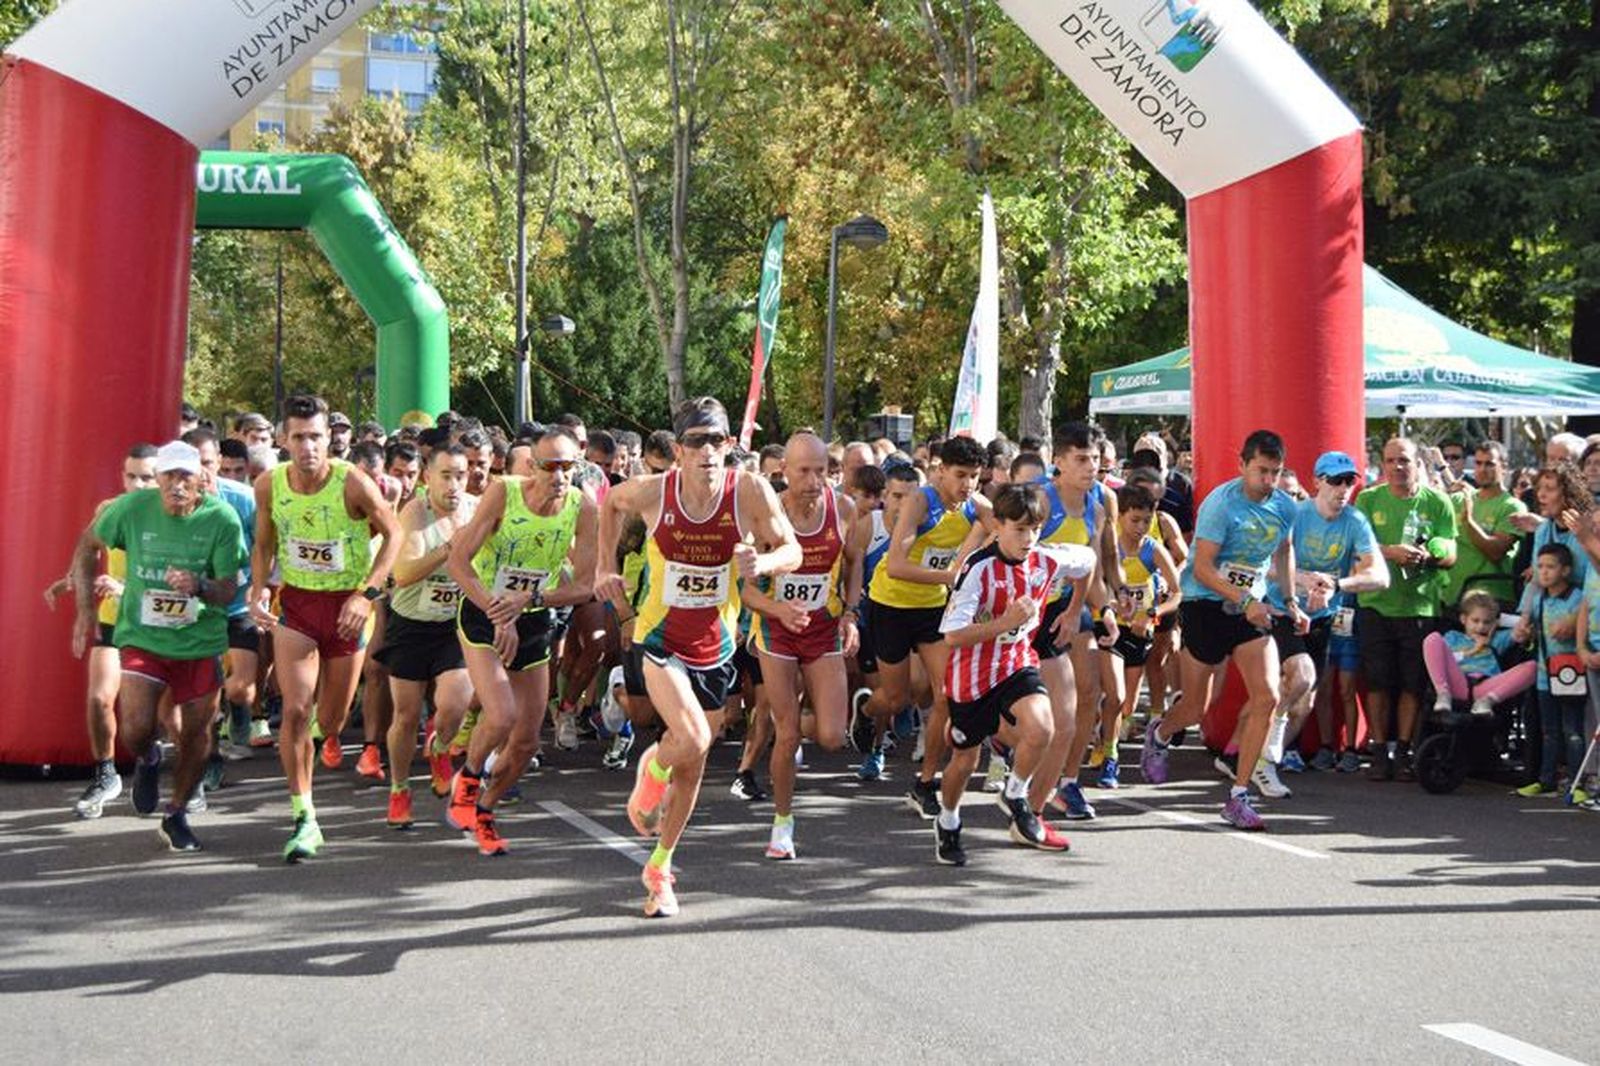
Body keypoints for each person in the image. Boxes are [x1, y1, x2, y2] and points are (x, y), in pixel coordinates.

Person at [595, 397, 801, 917]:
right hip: (660, 637)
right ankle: (649, 777)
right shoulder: (652, 492)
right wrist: (603, 566)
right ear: (680, 450)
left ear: (730, 446)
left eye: (717, 441)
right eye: (696, 442)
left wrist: (767, 559)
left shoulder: (748, 490)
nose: (708, 451)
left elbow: (793, 549)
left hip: (718, 644)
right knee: (692, 737)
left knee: (693, 765)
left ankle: (659, 867)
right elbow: (607, 504)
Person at [68, 441, 245, 851]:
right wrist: (84, 610)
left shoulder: (222, 520)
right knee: (135, 728)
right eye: (169, 476)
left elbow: (226, 588)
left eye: (186, 476)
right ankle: (147, 759)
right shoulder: (131, 509)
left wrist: (198, 585)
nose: (177, 485)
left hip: (200, 639)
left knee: (198, 735)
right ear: (159, 478)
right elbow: (86, 547)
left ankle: (176, 812)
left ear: (201, 480)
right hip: (144, 637)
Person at [247, 393, 401, 862]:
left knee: (329, 720)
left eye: (317, 436)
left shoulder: (352, 482)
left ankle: (323, 734)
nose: (309, 446)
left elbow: (394, 533)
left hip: (347, 610)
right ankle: (304, 816)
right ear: (283, 439)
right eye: (299, 437)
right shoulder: (269, 484)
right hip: (296, 606)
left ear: (330, 438)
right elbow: (263, 544)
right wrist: (257, 589)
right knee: (294, 710)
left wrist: (367, 593)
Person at [1140, 430, 1308, 831]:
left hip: (1250, 610)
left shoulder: (1285, 506)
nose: (1268, 481)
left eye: (1275, 472)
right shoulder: (1221, 504)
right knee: (1198, 706)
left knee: (1267, 695)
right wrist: (1246, 600)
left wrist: (1290, 599)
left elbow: (1284, 550)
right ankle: (1161, 733)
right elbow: (1202, 568)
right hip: (1206, 605)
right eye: (1261, 471)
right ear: (1243, 465)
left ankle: (1238, 795)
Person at [444, 427, 597, 854]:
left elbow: (584, 586)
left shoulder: (583, 509)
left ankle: (486, 811)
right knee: (501, 714)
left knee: (528, 742)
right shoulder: (504, 494)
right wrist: (498, 611)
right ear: (533, 466)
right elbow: (459, 562)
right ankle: (470, 778)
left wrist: (528, 599)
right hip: (481, 612)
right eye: (551, 466)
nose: (561, 475)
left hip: (531, 616)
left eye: (570, 466)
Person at [933, 483, 1096, 864]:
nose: (1028, 538)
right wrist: (1004, 621)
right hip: (971, 677)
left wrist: (1074, 611)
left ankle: (1015, 793)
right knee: (964, 762)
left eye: (1035, 529)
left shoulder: (1047, 559)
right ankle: (948, 819)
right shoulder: (976, 569)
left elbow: (1087, 561)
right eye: (1019, 529)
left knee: (1044, 728)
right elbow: (953, 635)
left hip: (1016, 662)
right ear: (999, 526)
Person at [858, 437, 994, 819]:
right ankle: (867, 711)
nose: (967, 484)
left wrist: (973, 565)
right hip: (891, 603)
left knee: (945, 694)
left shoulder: (976, 506)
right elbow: (897, 564)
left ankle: (925, 781)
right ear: (940, 471)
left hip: (934, 609)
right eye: (960, 475)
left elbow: (1004, 532)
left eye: (974, 476)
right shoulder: (921, 502)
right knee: (897, 698)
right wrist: (949, 576)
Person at [743, 432, 865, 859]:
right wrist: (778, 610)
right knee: (788, 732)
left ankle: (832, 705)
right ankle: (782, 825)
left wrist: (851, 612)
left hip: (823, 629)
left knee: (832, 736)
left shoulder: (844, 509)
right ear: (784, 472)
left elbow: (854, 564)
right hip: (777, 633)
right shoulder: (766, 517)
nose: (815, 481)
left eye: (822, 471)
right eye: (805, 472)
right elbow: (747, 592)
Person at [1248, 451, 1388, 795]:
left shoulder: (1354, 521)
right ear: (1317, 482)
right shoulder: (1295, 515)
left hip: (1322, 617)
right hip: (1282, 609)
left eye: (1349, 482)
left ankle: (1245, 755)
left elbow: (1380, 576)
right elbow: (1261, 564)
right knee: (1302, 676)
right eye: (1335, 481)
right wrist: (1301, 579)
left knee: (1304, 701)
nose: (1343, 489)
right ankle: (1265, 761)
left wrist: (1337, 584)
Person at [45, 444, 158, 818]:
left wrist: (128, 590)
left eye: (147, 477)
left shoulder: (175, 516)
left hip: (160, 625)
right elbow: (87, 548)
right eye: (131, 476)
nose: (138, 485)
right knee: (99, 698)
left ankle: (151, 761)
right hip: (115, 622)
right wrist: (82, 605)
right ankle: (105, 773)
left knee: (166, 719)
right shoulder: (110, 510)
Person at [377, 444, 478, 828]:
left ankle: (438, 745)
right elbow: (402, 574)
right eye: (446, 476)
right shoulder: (415, 513)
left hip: (455, 625)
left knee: (455, 704)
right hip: (411, 624)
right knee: (404, 716)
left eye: (461, 475)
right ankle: (400, 789)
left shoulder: (475, 509)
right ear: (427, 478)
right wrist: (451, 549)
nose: (455, 485)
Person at [1352, 437, 1457, 781]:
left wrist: (1430, 555)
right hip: (1376, 605)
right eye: (1391, 460)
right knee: (1378, 682)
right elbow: (1355, 548)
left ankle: (1405, 750)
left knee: (1413, 685)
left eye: (1405, 461)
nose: (1398, 467)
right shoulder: (1367, 499)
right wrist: (1390, 552)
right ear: (1382, 464)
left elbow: (1451, 552)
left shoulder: (1438, 502)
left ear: (1418, 464)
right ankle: (1379, 751)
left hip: (1420, 607)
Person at [1037, 422, 1117, 823]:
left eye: (1096, 460)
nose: (1090, 468)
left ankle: (1068, 782)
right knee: (1043, 708)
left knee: (1090, 692)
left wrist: (1106, 612)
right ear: (1059, 462)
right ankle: (1018, 757)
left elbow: (1093, 570)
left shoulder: (1097, 509)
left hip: (1072, 605)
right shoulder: (1040, 502)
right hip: (1029, 611)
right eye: (1081, 459)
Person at [1093, 483, 1183, 790]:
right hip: (1107, 628)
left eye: (1147, 520)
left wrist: (1153, 614)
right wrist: (1107, 604)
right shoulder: (1109, 547)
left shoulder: (1151, 549)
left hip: (1139, 632)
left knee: (1127, 705)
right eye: (1135, 520)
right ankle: (1110, 757)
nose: (1141, 527)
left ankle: (1105, 731)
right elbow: (1094, 582)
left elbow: (1177, 591)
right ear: (1120, 517)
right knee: (1115, 696)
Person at [1513, 544, 1587, 798]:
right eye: (1540, 566)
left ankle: (1577, 782)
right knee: (1549, 731)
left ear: (1565, 570)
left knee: (1573, 731)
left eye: (1550, 567)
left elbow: (1585, 624)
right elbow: (1529, 629)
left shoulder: (1577, 598)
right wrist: (1525, 633)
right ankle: (1546, 780)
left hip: (1571, 674)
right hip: (1546, 675)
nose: (1543, 573)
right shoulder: (1538, 599)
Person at [1441, 441, 1525, 613]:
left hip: (1489, 602)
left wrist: (1468, 520)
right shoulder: (1459, 498)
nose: (1482, 469)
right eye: (1478, 463)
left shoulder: (1512, 506)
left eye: (1489, 464)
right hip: (1452, 597)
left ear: (1504, 467)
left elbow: (1495, 552)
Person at [1423, 589, 1532, 719]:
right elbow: (1440, 661)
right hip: (1458, 683)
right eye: (1475, 621)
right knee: (1433, 638)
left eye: (1487, 622)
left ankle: (1487, 701)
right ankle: (1442, 694)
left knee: (1532, 667)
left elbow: (1524, 624)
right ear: (1464, 619)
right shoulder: (1453, 637)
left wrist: (1500, 620)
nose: (1480, 627)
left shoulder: (1496, 639)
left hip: (1485, 686)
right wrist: (1472, 651)